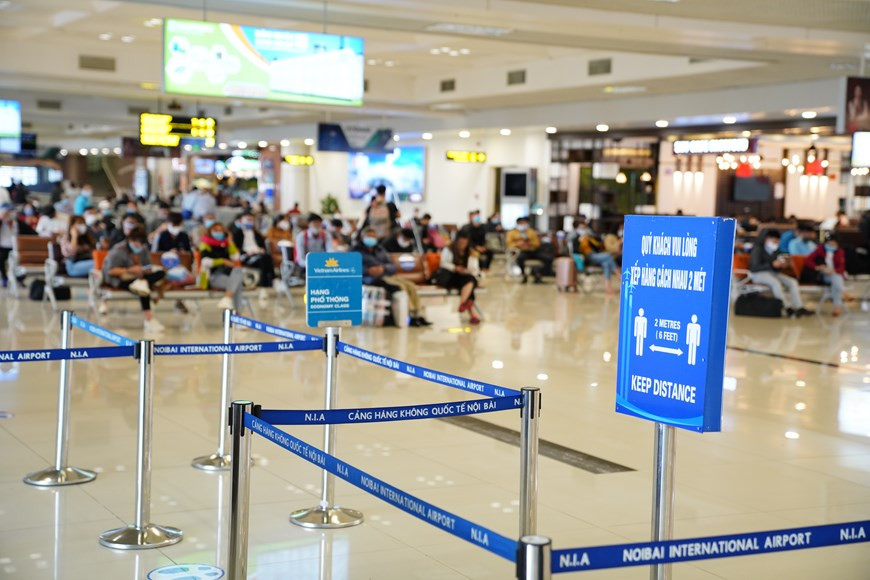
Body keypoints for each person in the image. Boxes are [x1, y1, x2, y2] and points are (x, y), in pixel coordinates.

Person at [355, 228, 432, 327]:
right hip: (370, 278)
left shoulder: (380, 249)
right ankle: (409, 315)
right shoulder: (356, 251)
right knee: (400, 287)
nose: (372, 239)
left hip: (386, 274)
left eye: (373, 237)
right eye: (369, 237)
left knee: (410, 285)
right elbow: (352, 268)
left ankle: (417, 314)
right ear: (362, 238)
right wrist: (368, 270)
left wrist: (383, 268)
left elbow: (392, 266)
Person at [102, 228, 166, 333]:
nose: (139, 248)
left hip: (139, 277)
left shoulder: (143, 248)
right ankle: (149, 319)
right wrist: (129, 270)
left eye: (141, 245)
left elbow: (147, 265)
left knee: (159, 274)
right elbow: (110, 271)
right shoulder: (118, 250)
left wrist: (146, 270)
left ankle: (142, 282)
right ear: (130, 240)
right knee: (142, 289)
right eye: (137, 245)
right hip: (119, 278)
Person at [749, 230, 811, 317]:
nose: (776, 243)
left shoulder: (775, 251)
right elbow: (754, 267)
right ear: (766, 239)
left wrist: (782, 265)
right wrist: (772, 264)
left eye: (777, 241)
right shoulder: (757, 249)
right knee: (776, 283)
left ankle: (799, 307)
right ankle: (786, 307)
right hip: (758, 274)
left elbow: (775, 268)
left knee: (792, 282)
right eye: (774, 240)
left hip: (772, 273)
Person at [200, 222, 245, 312]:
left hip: (228, 274)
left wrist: (230, 242)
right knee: (237, 285)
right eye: (216, 230)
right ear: (210, 232)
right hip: (214, 276)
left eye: (221, 230)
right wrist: (223, 261)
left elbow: (236, 257)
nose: (219, 232)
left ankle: (227, 299)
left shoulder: (226, 244)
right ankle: (238, 317)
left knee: (238, 270)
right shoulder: (205, 245)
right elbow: (205, 262)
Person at [439, 230, 480, 324]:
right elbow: (443, 263)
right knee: (470, 282)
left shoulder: (471, 251)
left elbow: (474, 269)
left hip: (464, 277)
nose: (463, 244)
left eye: (465, 242)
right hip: (450, 276)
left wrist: (467, 268)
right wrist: (455, 268)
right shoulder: (449, 249)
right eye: (461, 242)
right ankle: (470, 310)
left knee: (470, 280)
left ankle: (463, 304)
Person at [802, 234, 847, 316]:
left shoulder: (840, 252)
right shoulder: (820, 250)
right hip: (823, 275)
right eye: (829, 244)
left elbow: (841, 268)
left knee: (835, 280)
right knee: (836, 278)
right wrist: (817, 267)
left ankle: (837, 307)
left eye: (833, 244)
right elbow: (808, 261)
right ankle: (844, 292)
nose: (831, 246)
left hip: (835, 275)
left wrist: (834, 270)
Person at [232, 212, 275, 295]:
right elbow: (235, 248)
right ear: (241, 221)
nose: (250, 221)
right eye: (248, 219)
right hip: (245, 256)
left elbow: (263, 247)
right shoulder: (237, 233)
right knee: (263, 259)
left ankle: (272, 280)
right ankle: (264, 284)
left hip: (258, 254)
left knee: (267, 257)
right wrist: (247, 252)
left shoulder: (257, 234)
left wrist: (260, 250)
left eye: (251, 220)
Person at [573, 227, 618, 294]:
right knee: (608, 256)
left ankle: (607, 287)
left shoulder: (589, 239)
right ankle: (618, 274)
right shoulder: (576, 239)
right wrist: (580, 242)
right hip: (587, 257)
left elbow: (597, 247)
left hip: (595, 255)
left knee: (606, 263)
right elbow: (575, 251)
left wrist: (589, 239)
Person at [506, 216, 548, 284]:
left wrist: (529, 243)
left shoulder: (531, 232)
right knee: (520, 259)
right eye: (521, 223)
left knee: (547, 258)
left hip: (532, 251)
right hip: (521, 251)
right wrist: (518, 244)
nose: (523, 224)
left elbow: (537, 243)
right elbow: (508, 244)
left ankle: (538, 274)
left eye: (524, 223)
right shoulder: (512, 233)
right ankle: (524, 275)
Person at [0, 203, 14, 287]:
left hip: (15, 247)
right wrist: (2, 219)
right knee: (1, 259)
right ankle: (4, 277)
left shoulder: (18, 223)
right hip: (3, 247)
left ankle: (19, 279)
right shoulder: (1, 223)